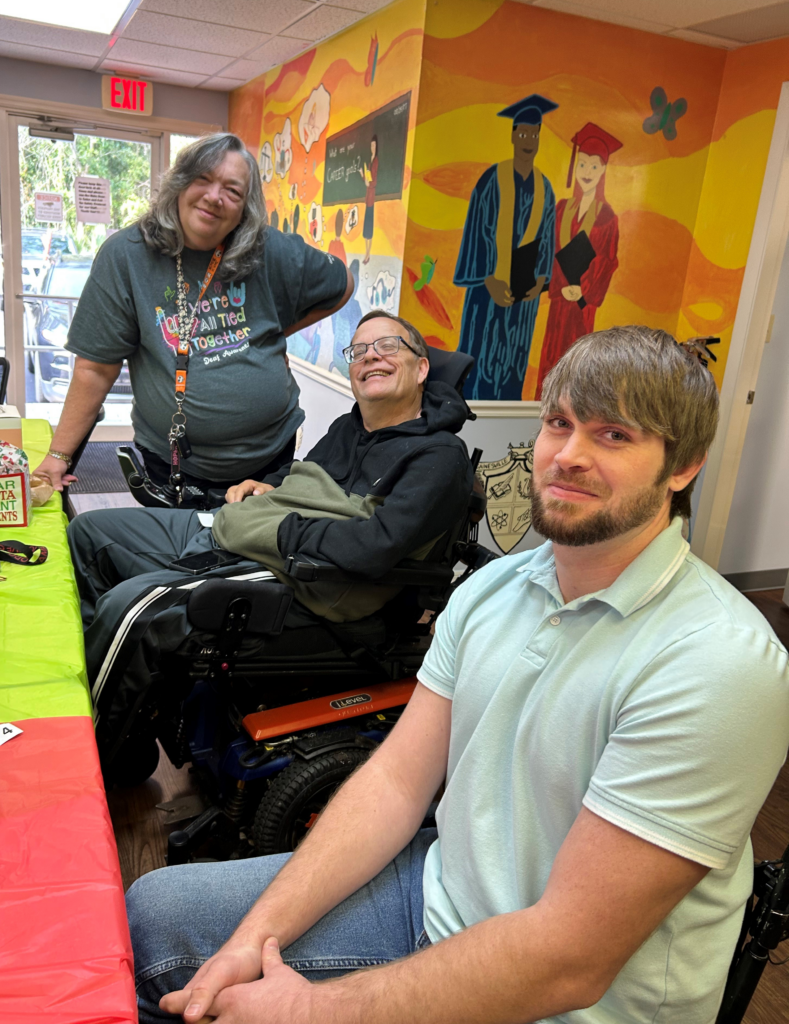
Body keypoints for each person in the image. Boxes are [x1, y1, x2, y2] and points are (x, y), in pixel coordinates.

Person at [126, 325, 789, 1024]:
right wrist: (258, 934)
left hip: (572, 1003)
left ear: (682, 466)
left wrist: (317, 1010)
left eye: (613, 435)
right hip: (439, 887)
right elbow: (394, 780)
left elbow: (569, 961)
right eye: (557, 424)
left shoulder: (715, 663)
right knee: (155, 916)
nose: (567, 456)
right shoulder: (493, 589)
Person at [68, 310, 473, 767]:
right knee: (90, 533)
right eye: (358, 350)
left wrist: (274, 531)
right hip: (251, 529)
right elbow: (304, 476)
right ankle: (120, 705)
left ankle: (95, 756)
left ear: (422, 368)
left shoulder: (438, 457)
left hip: (305, 577)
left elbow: (374, 546)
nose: (370, 357)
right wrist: (271, 486)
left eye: (388, 346)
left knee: (133, 605)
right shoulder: (352, 425)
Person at [34, 132, 353, 507]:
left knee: (255, 561)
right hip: (172, 467)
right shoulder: (126, 256)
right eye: (203, 178)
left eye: (232, 191)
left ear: (244, 208)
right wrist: (58, 456)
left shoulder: (269, 249)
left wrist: (277, 332)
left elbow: (341, 284)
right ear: (180, 183)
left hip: (269, 462)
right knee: (180, 557)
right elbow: (95, 369)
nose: (215, 197)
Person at [454, 94, 557, 401]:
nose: (529, 140)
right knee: (478, 363)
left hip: (522, 304)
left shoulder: (545, 188)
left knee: (513, 364)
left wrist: (540, 280)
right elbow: (475, 235)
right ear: (513, 136)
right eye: (523, 133)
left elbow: (547, 239)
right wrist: (489, 280)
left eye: (534, 134)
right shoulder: (492, 180)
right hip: (487, 298)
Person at [537, 123, 621, 399]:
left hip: (581, 308)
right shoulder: (562, 208)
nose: (587, 173)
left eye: (594, 167)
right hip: (559, 302)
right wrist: (555, 286)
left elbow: (607, 262)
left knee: (575, 365)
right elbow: (548, 251)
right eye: (582, 164)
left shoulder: (607, 217)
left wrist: (582, 292)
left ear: (604, 171)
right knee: (551, 360)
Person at [358, 136, 378, 265]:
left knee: (369, 230)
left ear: (377, 146)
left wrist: (368, 184)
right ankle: (366, 252)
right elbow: (368, 178)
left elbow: (373, 181)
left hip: (371, 198)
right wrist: (362, 174)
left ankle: (368, 253)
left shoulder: (375, 161)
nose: (372, 148)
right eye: (371, 146)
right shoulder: (370, 162)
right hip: (367, 198)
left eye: (374, 146)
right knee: (366, 229)